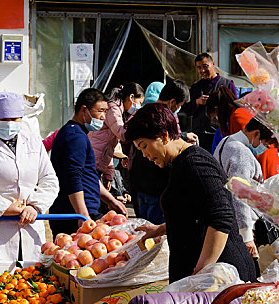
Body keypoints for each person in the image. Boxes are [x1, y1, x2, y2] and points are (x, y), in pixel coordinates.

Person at [125, 103, 256, 283]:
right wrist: (162, 228)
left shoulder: (195, 164)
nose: (145, 155)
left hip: (220, 276)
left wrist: (201, 273)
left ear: (164, 136)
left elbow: (221, 217)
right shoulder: (179, 163)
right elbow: (195, 211)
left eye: (144, 146)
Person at [0, 92, 59, 261]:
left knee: (33, 282)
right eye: (4, 120)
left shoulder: (34, 142)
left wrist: (34, 206)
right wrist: (6, 208)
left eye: (15, 119)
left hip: (31, 228)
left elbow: (49, 180)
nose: (10, 124)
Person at [50, 88, 128, 236]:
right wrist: (83, 215)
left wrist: (110, 200)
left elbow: (88, 174)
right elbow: (73, 177)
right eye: (100, 111)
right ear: (84, 110)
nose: (103, 117)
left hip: (85, 213)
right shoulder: (75, 137)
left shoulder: (79, 134)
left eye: (106, 112)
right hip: (74, 216)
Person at [128, 79, 195, 224]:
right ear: (172, 102)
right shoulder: (160, 118)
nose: (179, 109)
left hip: (141, 183)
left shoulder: (144, 112)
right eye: (179, 105)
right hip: (157, 186)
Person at [213, 117, 277, 259]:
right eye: (266, 144)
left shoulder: (227, 141)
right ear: (256, 134)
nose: (264, 148)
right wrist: (247, 235)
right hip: (238, 226)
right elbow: (239, 195)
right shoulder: (241, 152)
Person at [207, 86, 279, 180]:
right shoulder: (239, 114)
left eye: (215, 116)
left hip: (265, 162)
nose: (217, 119)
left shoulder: (237, 116)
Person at [88, 82, 145, 188]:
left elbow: (109, 146)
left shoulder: (118, 110)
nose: (138, 107)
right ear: (131, 97)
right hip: (94, 162)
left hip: (98, 162)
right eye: (139, 102)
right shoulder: (113, 109)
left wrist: (108, 174)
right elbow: (123, 134)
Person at [182, 53, 237, 152]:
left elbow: (234, 108)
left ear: (213, 64)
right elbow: (187, 110)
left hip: (221, 134)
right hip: (200, 135)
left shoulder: (227, 84)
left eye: (205, 66)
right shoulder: (195, 87)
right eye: (199, 68)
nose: (202, 70)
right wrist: (197, 102)